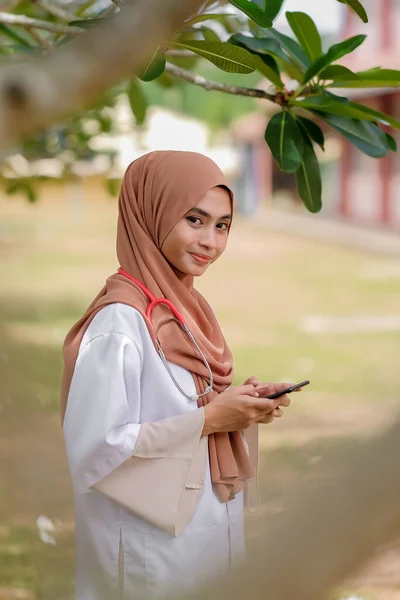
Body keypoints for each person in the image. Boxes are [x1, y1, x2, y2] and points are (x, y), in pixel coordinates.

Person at [60, 151, 294, 600]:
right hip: (144, 556)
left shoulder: (186, 310)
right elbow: (92, 451)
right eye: (194, 219)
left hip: (200, 535)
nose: (211, 241)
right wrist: (208, 421)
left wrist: (239, 405)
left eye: (222, 225)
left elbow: (184, 401)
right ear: (152, 213)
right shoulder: (119, 324)